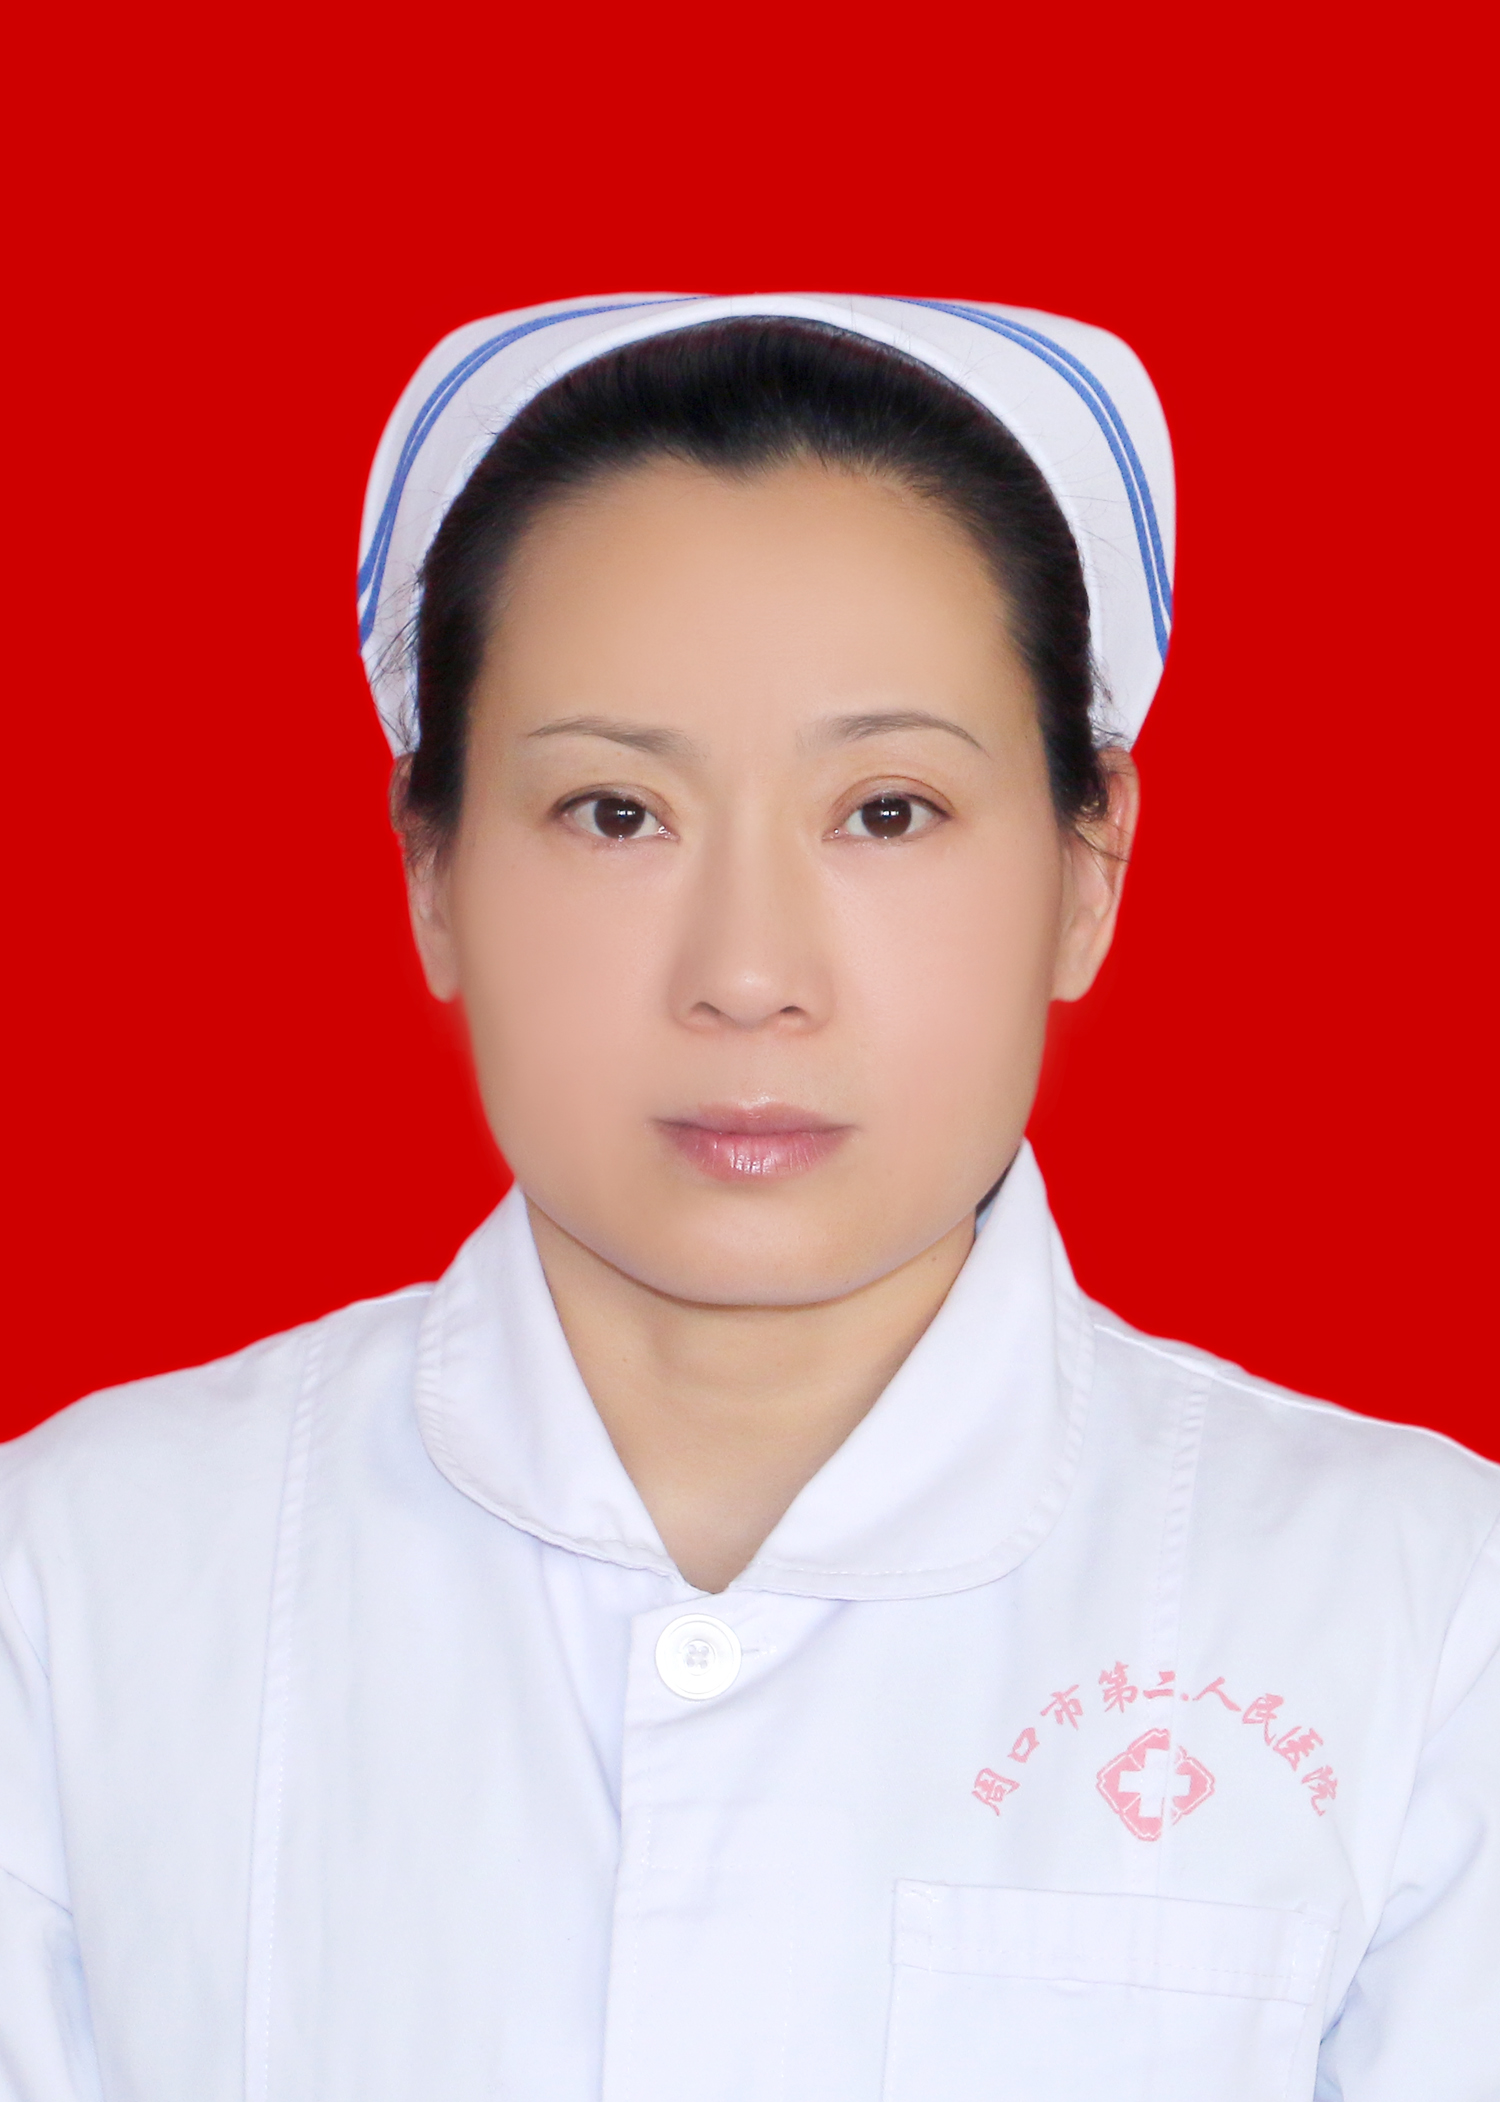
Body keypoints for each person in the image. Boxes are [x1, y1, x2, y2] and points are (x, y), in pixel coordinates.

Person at [1, 294, 1495, 2102]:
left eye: (888, 811)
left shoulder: (1425, 1613)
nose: (749, 975)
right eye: (615, 813)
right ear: (432, 871)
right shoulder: (73, 1583)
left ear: (1090, 864)